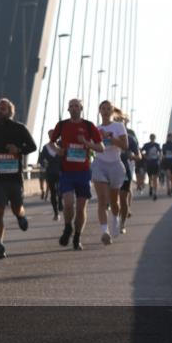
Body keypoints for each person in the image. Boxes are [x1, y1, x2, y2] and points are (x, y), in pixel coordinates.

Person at [0, 98, 37, 258]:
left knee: (16, 208)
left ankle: (21, 216)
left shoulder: (19, 129)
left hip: (14, 178)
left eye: (3, 109)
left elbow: (32, 146)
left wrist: (18, 150)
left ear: (10, 112)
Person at [50, 98, 105, 251]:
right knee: (68, 204)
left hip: (83, 172)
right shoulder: (62, 125)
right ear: (68, 110)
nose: (74, 108)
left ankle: (77, 237)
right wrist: (57, 150)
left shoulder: (89, 126)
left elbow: (101, 148)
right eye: (71, 106)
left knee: (81, 208)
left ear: (81, 109)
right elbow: (51, 143)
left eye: (77, 106)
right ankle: (68, 227)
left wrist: (87, 144)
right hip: (67, 171)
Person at [91, 100, 129, 245]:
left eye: (108, 109)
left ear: (112, 112)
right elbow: (93, 148)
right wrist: (93, 143)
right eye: (103, 109)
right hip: (100, 164)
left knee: (114, 202)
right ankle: (105, 232)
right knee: (102, 199)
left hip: (115, 166)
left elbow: (125, 146)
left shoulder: (119, 126)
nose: (106, 111)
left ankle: (115, 218)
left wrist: (110, 137)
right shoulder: (95, 128)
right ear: (99, 111)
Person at [116, 112, 140, 234]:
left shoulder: (130, 138)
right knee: (112, 199)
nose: (119, 123)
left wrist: (133, 156)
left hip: (124, 170)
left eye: (121, 121)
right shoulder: (105, 135)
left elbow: (139, 155)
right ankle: (114, 220)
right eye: (116, 120)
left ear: (125, 123)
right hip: (109, 170)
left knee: (123, 199)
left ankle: (122, 224)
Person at [38, 141, 62, 221]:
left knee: (60, 190)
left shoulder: (61, 144)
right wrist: (45, 164)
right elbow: (40, 159)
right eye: (50, 135)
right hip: (50, 172)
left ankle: (60, 201)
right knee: (53, 192)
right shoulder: (46, 147)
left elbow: (67, 155)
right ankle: (56, 213)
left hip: (60, 172)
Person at [140, 133, 162, 200]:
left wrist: (159, 158)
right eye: (151, 137)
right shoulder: (146, 145)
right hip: (149, 163)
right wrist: (145, 156)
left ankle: (155, 193)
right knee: (150, 178)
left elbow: (161, 152)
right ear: (150, 138)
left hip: (155, 163)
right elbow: (140, 151)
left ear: (155, 138)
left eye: (153, 137)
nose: (152, 138)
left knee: (155, 178)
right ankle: (151, 187)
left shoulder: (157, 145)